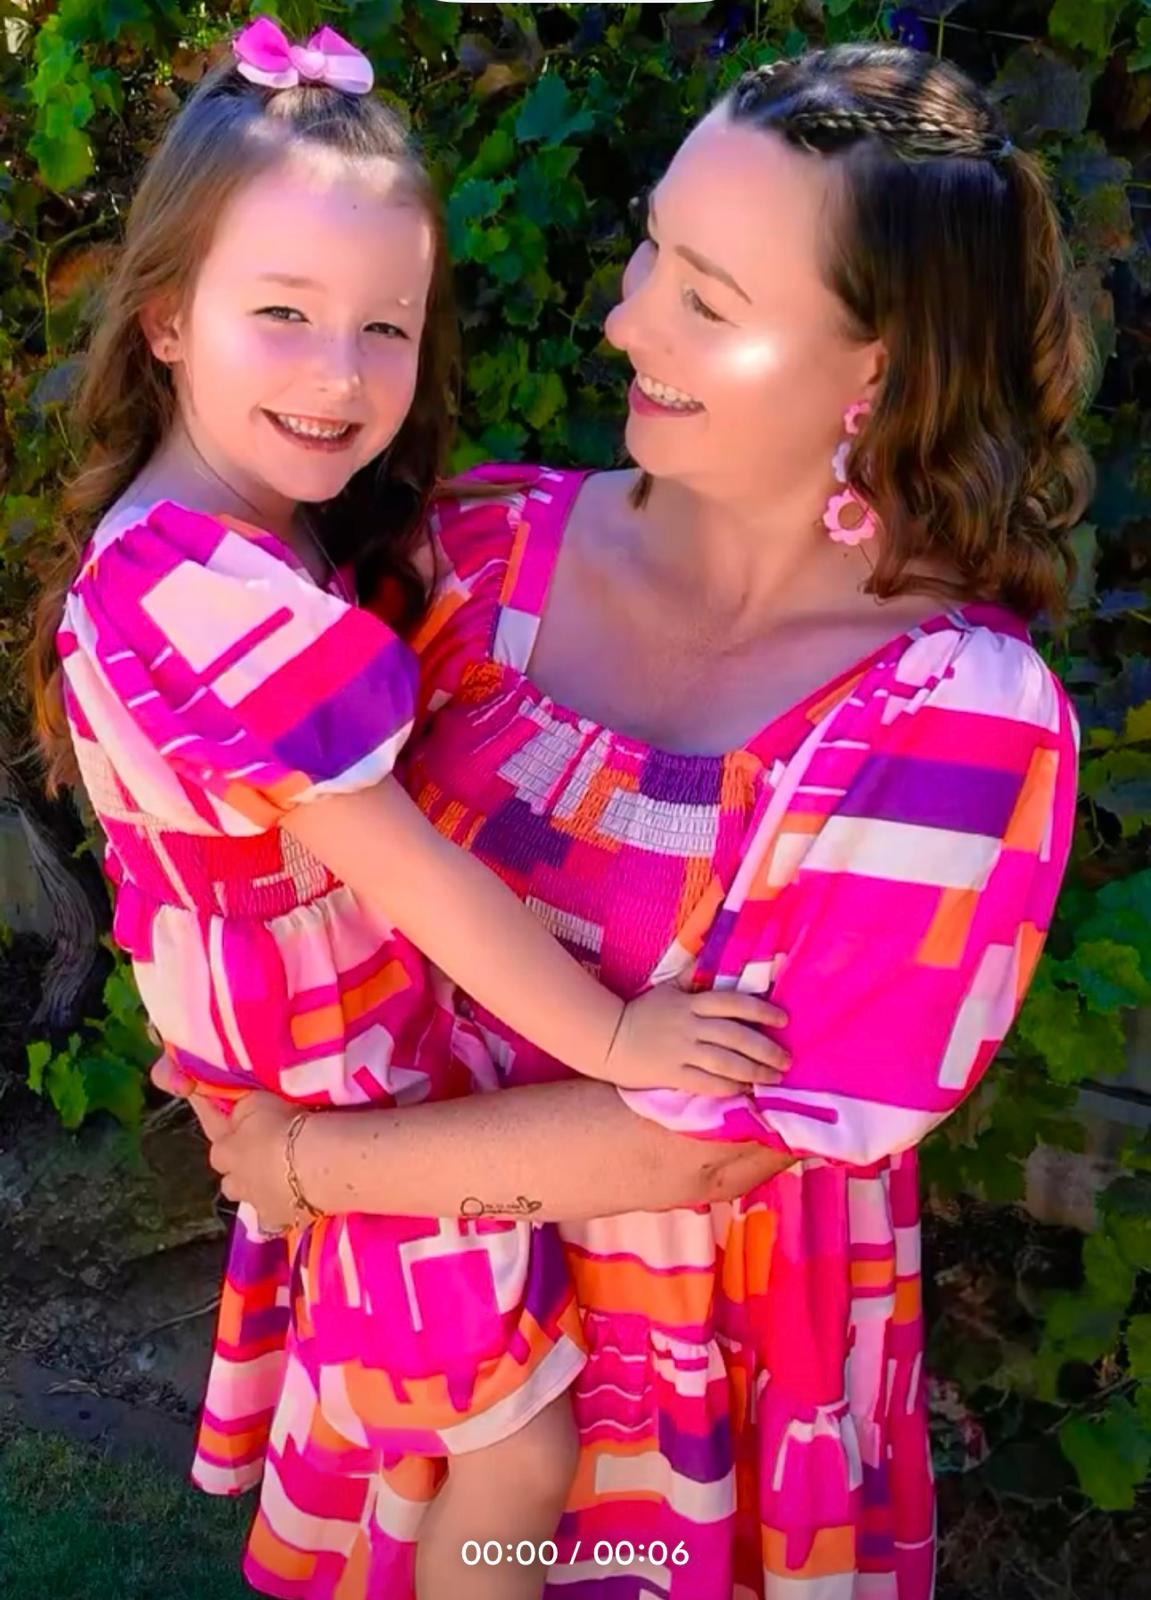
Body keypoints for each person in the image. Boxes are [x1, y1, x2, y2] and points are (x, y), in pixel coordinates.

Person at [161, 40, 1089, 1600]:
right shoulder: (472, 557)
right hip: (436, 1336)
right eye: (654, 250)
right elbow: (273, 821)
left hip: (687, 1401)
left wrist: (306, 1165)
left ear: (877, 372)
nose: (626, 319)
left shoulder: (957, 728)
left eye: (707, 302)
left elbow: (709, 1152)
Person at [27, 21, 791, 1600]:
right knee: (518, 1455)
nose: (339, 372)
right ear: (166, 316)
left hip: (337, 1059)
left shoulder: (227, 536)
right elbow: (417, 875)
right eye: (283, 313)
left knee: (469, 1435)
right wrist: (619, 1040)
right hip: (347, 1084)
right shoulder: (201, 594)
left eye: (386, 325)